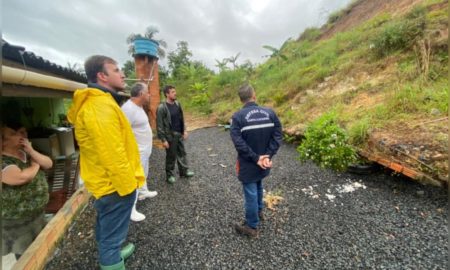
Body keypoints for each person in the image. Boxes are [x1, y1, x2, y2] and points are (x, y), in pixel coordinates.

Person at [67, 55, 145, 270]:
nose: (123, 74)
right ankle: (111, 261)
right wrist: (128, 187)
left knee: (107, 225)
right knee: (111, 234)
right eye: (117, 70)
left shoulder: (101, 101)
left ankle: (114, 252)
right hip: (114, 185)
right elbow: (112, 154)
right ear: (102, 75)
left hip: (107, 183)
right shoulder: (98, 107)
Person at [230, 84, 283, 237]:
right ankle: (259, 212)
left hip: (248, 163)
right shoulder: (270, 113)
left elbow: (238, 142)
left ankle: (251, 227)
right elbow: (278, 135)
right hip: (264, 161)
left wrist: (256, 158)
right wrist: (267, 155)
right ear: (254, 95)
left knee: (251, 192)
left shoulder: (237, 117)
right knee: (259, 184)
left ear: (241, 99)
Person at [1, 123, 53, 259]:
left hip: (36, 214)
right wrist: (35, 165)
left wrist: (31, 151)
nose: (19, 135)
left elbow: (48, 163)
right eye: (12, 134)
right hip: (18, 220)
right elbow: (20, 177)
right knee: (26, 255)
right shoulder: (3, 161)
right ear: (3, 142)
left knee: (40, 250)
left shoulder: (25, 153)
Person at [121, 82, 158, 222]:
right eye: (147, 92)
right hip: (137, 151)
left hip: (145, 149)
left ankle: (144, 192)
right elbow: (123, 132)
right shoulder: (128, 109)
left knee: (144, 173)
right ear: (141, 94)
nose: (149, 95)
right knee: (135, 177)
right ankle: (131, 209)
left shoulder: (139, 106)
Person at [156, 85, 194, 184]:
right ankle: (169, 175)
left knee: (182, 153)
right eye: (173, 92)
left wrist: (184, 130)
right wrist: (163, 140)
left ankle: (184, 171)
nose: (175, 93)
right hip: (170, 136)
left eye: (175, 91)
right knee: (171, 156)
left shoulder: (177, 104)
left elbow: (181, 118)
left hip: (179, 134)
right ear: (167, 94)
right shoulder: (161, 108)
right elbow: (159, 126)